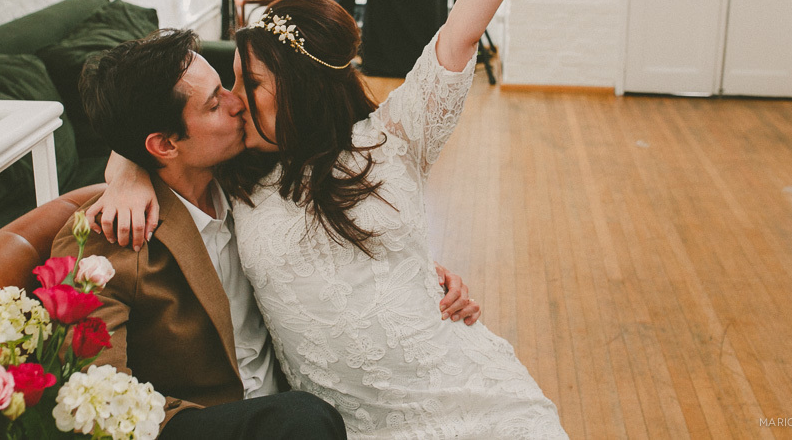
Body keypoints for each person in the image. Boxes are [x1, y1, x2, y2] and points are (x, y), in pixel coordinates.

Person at [98, 0, 597, 437]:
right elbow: (151, 134)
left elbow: (462, 29)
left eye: (248, 83)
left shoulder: (392, 138)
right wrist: (126, 170)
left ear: (299, 91)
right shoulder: (237, 173)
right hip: (350, 426)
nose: (233, 101)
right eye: (228, 85)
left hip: (461, 385)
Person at [57, 29, 480, 438]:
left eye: (226, 85)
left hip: (312, 405)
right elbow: (96, 395)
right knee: (302, 418)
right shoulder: (105, 239)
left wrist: (416, 273)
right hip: (218, 421)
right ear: (165, 145)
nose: (237, 103)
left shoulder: (247, 177)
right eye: (214, 104)